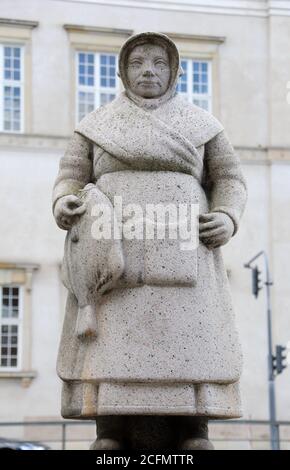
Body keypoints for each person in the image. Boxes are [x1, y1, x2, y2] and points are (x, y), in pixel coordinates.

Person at [52, 32, 247, 450]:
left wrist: (227, 217)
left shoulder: (203, 126)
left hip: (186, 255)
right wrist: (63, 202)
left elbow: (229, 179)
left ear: (174, 71)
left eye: (159, 63)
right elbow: (70, 175)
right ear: (123, 71)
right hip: (112, 253)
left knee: (189, 347)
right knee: (112, 347)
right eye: (139, 62)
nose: (148, 71)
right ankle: (111, 433)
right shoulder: (95, 125)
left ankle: (194, 431)